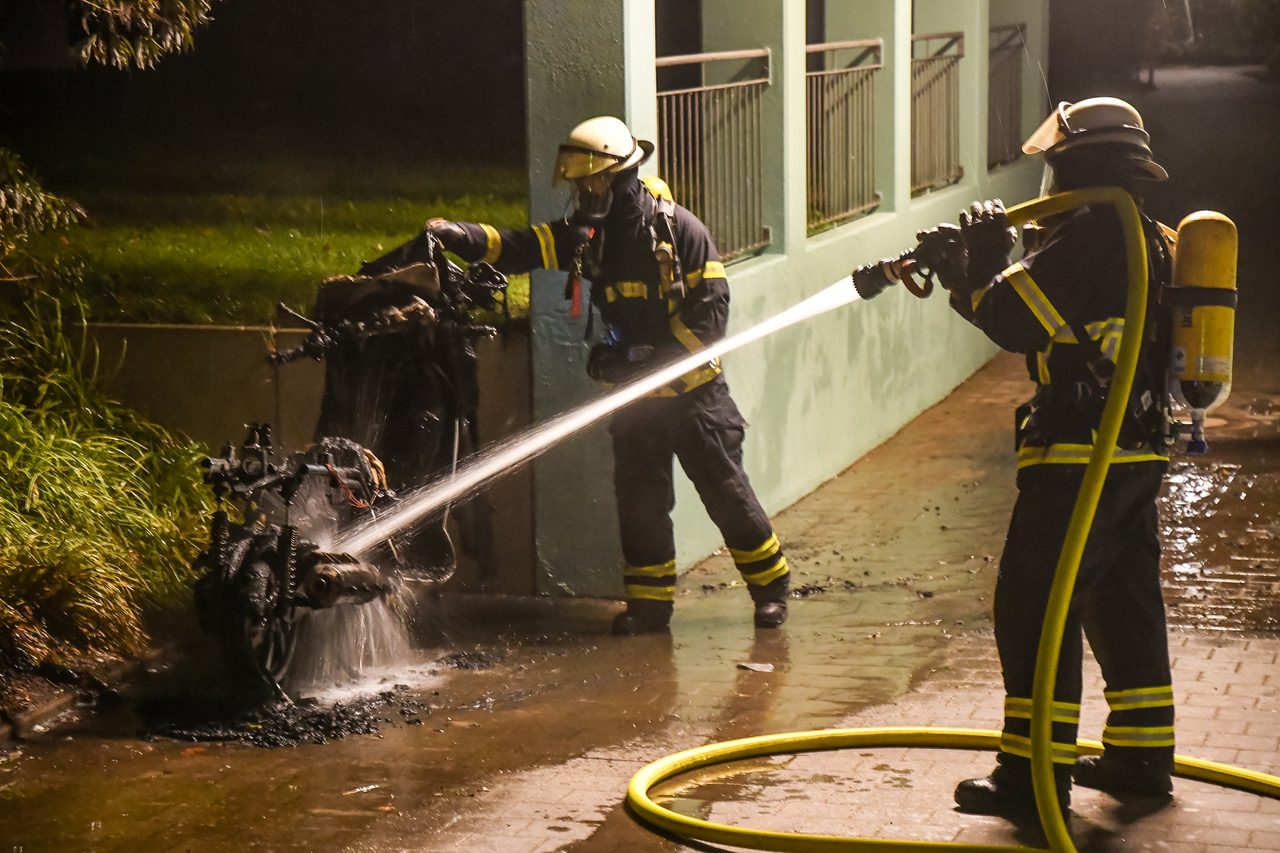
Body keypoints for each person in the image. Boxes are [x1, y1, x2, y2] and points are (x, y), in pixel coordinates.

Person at [359, 116, 790, 635]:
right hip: (635, 402)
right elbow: (522, 245)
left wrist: (643, 366)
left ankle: (771, 590)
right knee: (640, 506)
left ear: (625, 176)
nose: (586, 190)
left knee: (727, 494)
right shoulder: (591, 237)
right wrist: (463, 236)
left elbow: (711, 317)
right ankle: (650, 609)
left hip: (695, 398)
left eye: (595, 180)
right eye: (580, 181)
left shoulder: (679, 232)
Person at [937, 98, 1178, 817]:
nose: (1047, 179)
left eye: (1054, 163)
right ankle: (1141, 754)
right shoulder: (1148, 233)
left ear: (1080, 162)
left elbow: (1017, 318)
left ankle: (1032, 774)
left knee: (1035, 601)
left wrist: (980, 266)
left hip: (1080, 449)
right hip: (1134, 451)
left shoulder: (1093, 233)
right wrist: (976, 269)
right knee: (1121, 596)